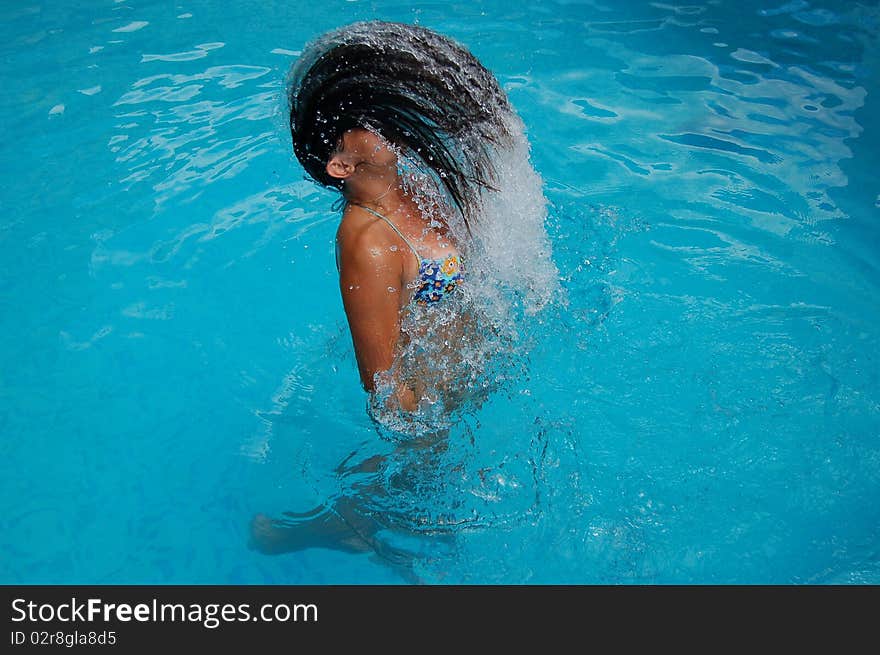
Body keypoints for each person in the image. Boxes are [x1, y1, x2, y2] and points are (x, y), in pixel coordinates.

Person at [250, 20, 518, 574]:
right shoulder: (368, 244)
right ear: (342, 165)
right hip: (433, 401)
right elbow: (385, 387)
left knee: (434, 511)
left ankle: (346, 524)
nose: (380, 120)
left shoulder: (413, 188)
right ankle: (317, 529)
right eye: (361, 124)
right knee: (426, 511)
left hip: (464, 374)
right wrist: (430, 436)